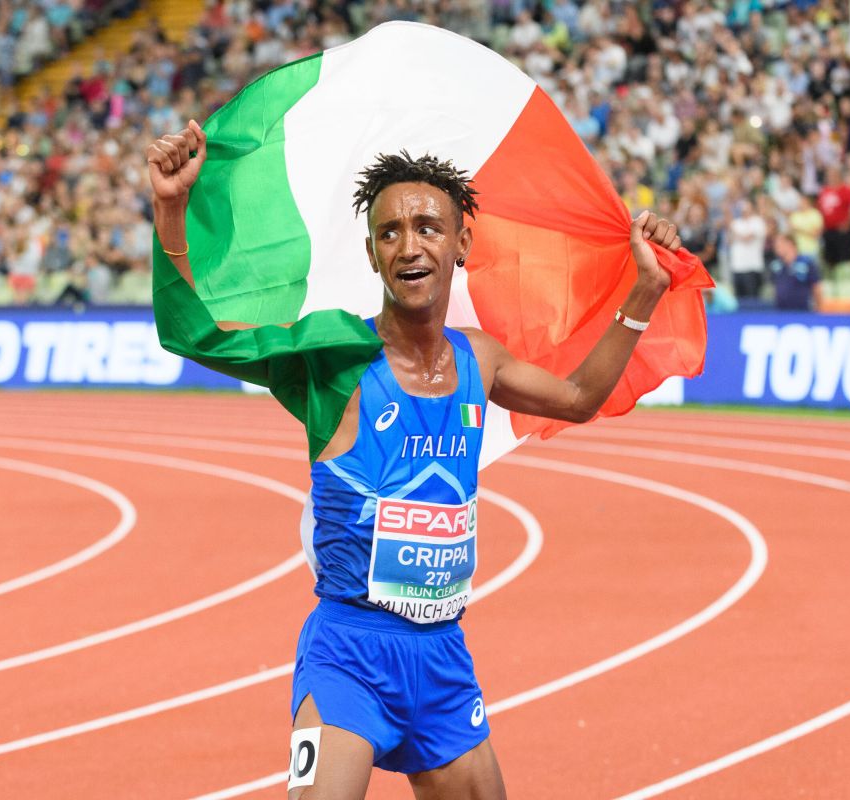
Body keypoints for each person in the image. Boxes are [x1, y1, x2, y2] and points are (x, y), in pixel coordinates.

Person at [146, 123, 683, 799]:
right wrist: (171, 208)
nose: (409, 245)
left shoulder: (479, 359)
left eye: (428, 227)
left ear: (462, 244)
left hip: (442, 660)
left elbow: (577, 397)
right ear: (372, 254)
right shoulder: (336, 356)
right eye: (390, 232)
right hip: (349, 654)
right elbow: (197, 333)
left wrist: (645, 292)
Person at [768, 233, 823, 311]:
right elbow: (774, 288)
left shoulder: (806, 263)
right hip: (781, 311)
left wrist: (819, 307)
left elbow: (816, 287)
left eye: (779, 245)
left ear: (789, 244)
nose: (776, 248)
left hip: (803, 311)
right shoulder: (775, 265)